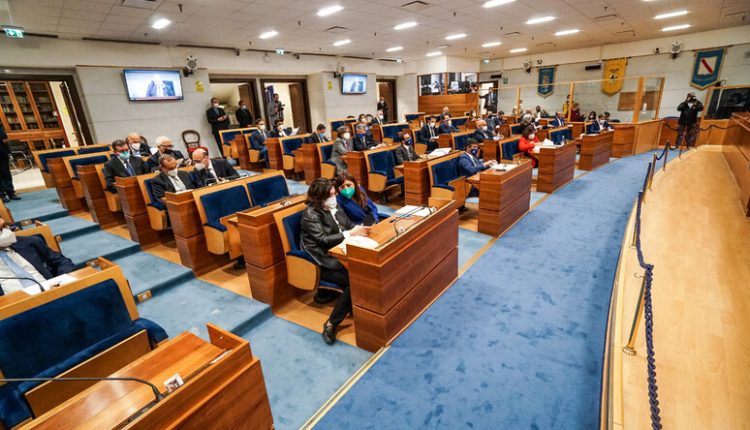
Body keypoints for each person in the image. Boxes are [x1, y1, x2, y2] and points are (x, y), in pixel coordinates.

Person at [300, 178, 370, 344]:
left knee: (367, 271)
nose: (334, 197)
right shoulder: (310, 214)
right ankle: (331, 323)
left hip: (342, 252)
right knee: (355, 281)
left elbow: (347, 225)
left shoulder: (334, 206)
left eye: (334, 193)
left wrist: (359, 229)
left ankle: (361, 309)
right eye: (330, 195)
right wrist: (349, 234)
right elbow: (323, 240)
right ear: (319, 197)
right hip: (324, 260)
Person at [0, 218, 75, 295]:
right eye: (1, 229)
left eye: (5, 226)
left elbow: (62, 262)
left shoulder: (30, 242)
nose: (8, 231)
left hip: (52, 293)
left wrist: (61, 281)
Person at [0, 125, 18, 202]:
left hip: (2, 153)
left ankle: (10, 193)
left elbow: (5, 138)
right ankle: (2, 194)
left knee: (6, 174)